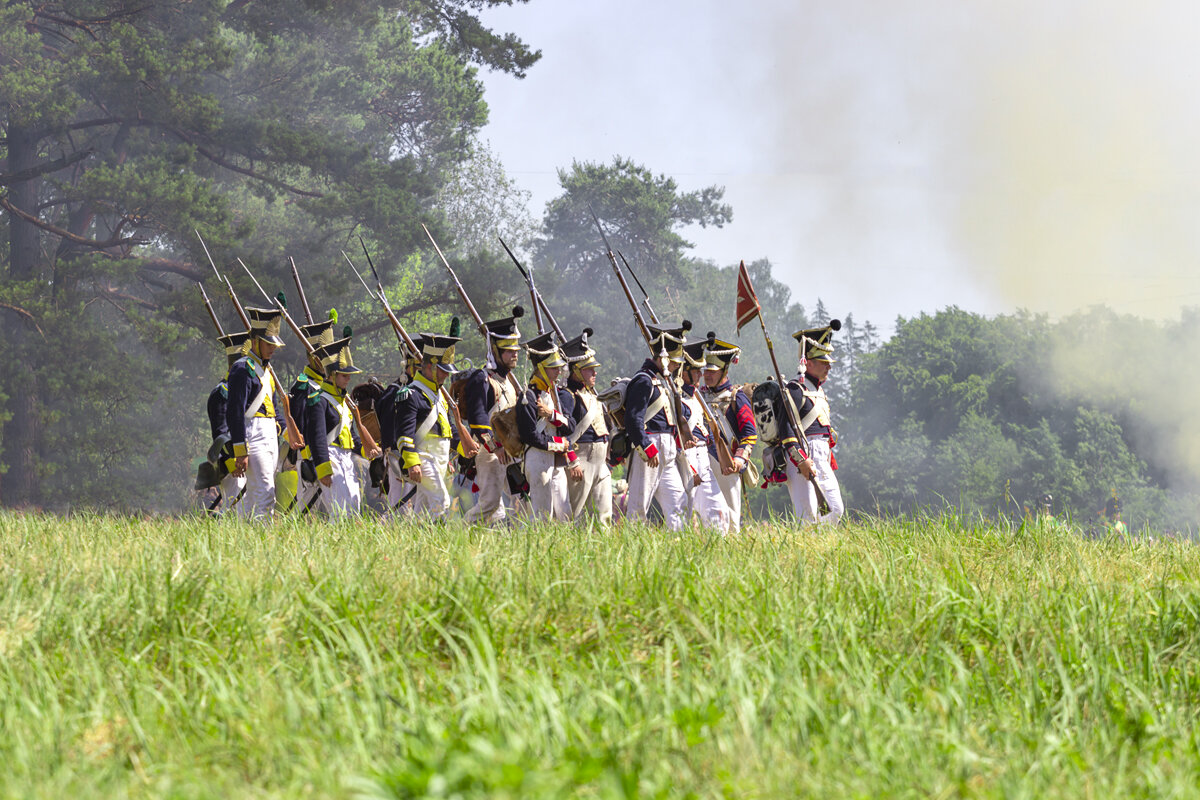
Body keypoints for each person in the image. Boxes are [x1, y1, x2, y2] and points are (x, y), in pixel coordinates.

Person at [225, 306, 299, 519]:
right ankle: (263, 539)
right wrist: (240, 450)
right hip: (253, 434)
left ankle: (244, 537)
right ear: (255, 341)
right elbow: (235, 413)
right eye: (268, 343)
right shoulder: (242, 369)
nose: (273, 348)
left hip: (269, 436)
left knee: (255, 496)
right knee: (266, 494)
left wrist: (289, 436)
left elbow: (274, 412)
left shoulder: (266, 372)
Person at [300, 333, 381, 517]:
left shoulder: (344, 402)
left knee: (353, 509)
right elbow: (318, 437)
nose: (348, 379)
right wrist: (323, 468)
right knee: (340, 513)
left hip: (346, 458)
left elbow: (349, 437)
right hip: (330, 458)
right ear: (333, 375)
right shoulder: (318, 401)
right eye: (345, 375)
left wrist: (364, 451)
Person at [624, 320, 691, 530]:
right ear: (663, 359)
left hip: (668, 448)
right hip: (650, 447)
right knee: (638, 505)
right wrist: (646, 446)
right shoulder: (643, 380)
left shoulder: (663, 381)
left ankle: (677, 542)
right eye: (674, 361)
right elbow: (633, 419)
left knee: (678, 502)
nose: (677, 366)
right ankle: (632, 546)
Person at [461, 306, 525, 525]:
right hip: (491, 452)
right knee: (489, 503)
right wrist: (495, 448)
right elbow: (478, 419)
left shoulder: (507, 381)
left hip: (511, 451)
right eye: (509, 350)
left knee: (520, 499)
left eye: (515, 350)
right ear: (496, 351)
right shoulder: (482, 379)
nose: (515, 354)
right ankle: (458, 533)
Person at [393, 323, 462, 519]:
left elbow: (444, 432)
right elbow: (404, 434)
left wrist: (452, 456)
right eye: (442, 370)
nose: (447, 375)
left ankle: (417, 546)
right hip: (423, 458)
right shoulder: (411, 394)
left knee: (421, 512)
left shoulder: (438, 396)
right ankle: (442, 545)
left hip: (439, 460)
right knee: (442, 501)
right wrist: (412, 462)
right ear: (430, 367)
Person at [782, 320, 845, 525]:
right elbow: (786, 428)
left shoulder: (819, 390)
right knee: (806, 518)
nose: (828, 366)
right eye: (822, 361)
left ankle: (821, 547)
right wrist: (800, 459)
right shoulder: (794, 389)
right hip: (802, 453)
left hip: (822, 454)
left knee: (835, 509)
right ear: (808, 362)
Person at [516, 330, 575, 521]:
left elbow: (570, 425)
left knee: (564, 513)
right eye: (553, 368)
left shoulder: (554, 394)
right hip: (537, 457)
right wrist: (560, 444)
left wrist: (551, 414)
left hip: (555, 460)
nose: (558, 371)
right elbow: (530, 435)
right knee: (541, 515)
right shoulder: (528, 397)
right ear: (541, 368)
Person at [700, 336, 758, 531]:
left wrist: (739, 460)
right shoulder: (698, 395)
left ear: (724, 370)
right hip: (700, 460)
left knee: (731, 516)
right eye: (705, 370)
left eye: (712, 371)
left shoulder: (736, 397)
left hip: (727, 462)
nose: (707, 374)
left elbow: (749, 434)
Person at [561, 328, 613, 526]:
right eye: (589, 369)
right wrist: (572, 460)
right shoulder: (566, 395)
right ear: (576, 371)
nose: (595, 372)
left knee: (604, 517)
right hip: (581, 458)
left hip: (600, 461)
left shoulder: (592, 395)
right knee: (572, 515)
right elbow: (562, 432)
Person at [680, 336, 731, 532]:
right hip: (688, 456)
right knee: (684, 510)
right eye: (696, 370)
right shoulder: (675, 395)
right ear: (684, 371)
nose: (701, 374)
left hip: (703, 458)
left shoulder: (694, 395)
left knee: (719, 511)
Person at [199, 329, 252, 515]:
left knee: (250, 508)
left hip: (245, 457)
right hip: (233, 463)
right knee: (240, 509)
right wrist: (233, 462)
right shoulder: (222, 393)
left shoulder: (247, 390)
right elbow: (221, 433)